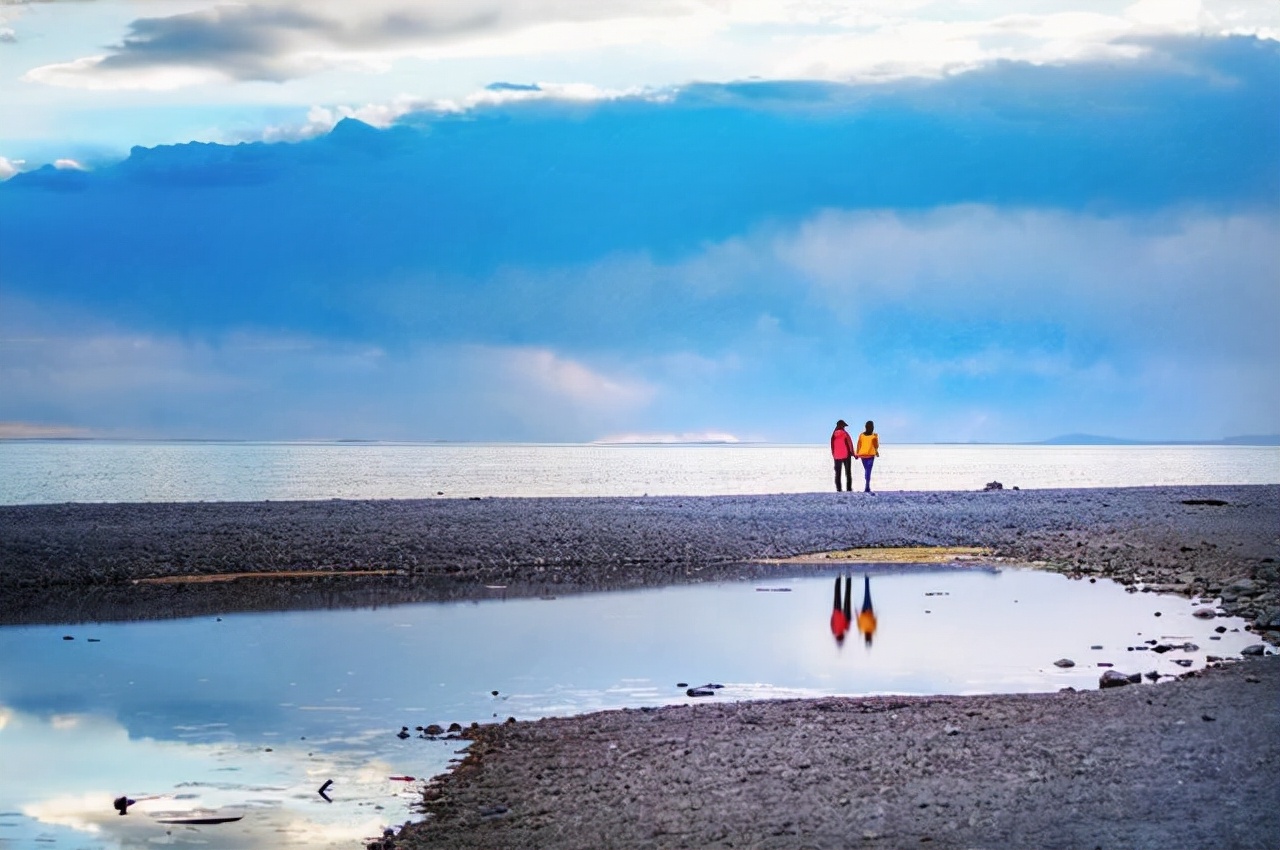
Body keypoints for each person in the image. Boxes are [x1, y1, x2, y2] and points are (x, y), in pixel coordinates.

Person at [854, 420, 879, 493]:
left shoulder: (862, 435)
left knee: (867, 470)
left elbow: (859, 445)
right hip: (868, 455)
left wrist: (857, 453)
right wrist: (857, 454)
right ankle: (867, 486)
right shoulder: (873, 435)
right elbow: (876, 446)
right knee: (868, 470)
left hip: (865, 455)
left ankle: (867, 486)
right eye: (872, 426)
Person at [830, 420, 855, 492]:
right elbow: (850, 444)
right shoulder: (845, 434)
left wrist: (834, 455)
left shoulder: (833, 435)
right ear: (843, 426)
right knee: (848, 472)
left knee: (838, 473)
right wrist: (853, 454)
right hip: (846, 455)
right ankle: (849, 488)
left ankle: (839, 489)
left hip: (837, 456)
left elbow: (832, 446)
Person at [830, 574, 852, 645]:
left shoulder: (846, 629)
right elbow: (831, 622)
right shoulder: (834, 631)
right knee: (837, 593)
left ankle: (848, 578)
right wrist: (833, 613)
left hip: (843, 614)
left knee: (847, 596)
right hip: (836, 612)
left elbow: (849, 620)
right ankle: (838, 578)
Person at [857, 574, 877, 646]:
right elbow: (858, 621)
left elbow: (875, 620)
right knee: (867, 594)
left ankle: (867, 579)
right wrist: (857, 613)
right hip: (863, 612)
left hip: (869, 611)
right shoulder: (862, 630)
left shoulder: (873, 629)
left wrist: (875, 615)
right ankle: (866, 579)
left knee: (867, 594)